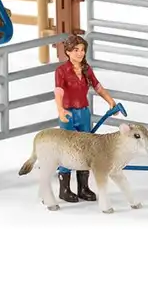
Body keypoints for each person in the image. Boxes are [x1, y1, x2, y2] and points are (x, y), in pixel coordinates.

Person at [52, 34, 117, 203]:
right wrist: (60, 109)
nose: (80, 53)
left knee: (86, 149)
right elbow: (58, 91)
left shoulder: (87, 70)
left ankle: (83, 188)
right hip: (68, 113)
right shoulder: (61, 71)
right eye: (76, 50)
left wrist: (110, 101)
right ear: (67, 51)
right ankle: (64, 189)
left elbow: (98, 86)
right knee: (68, 149)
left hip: (84, 113)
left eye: (82, 50)